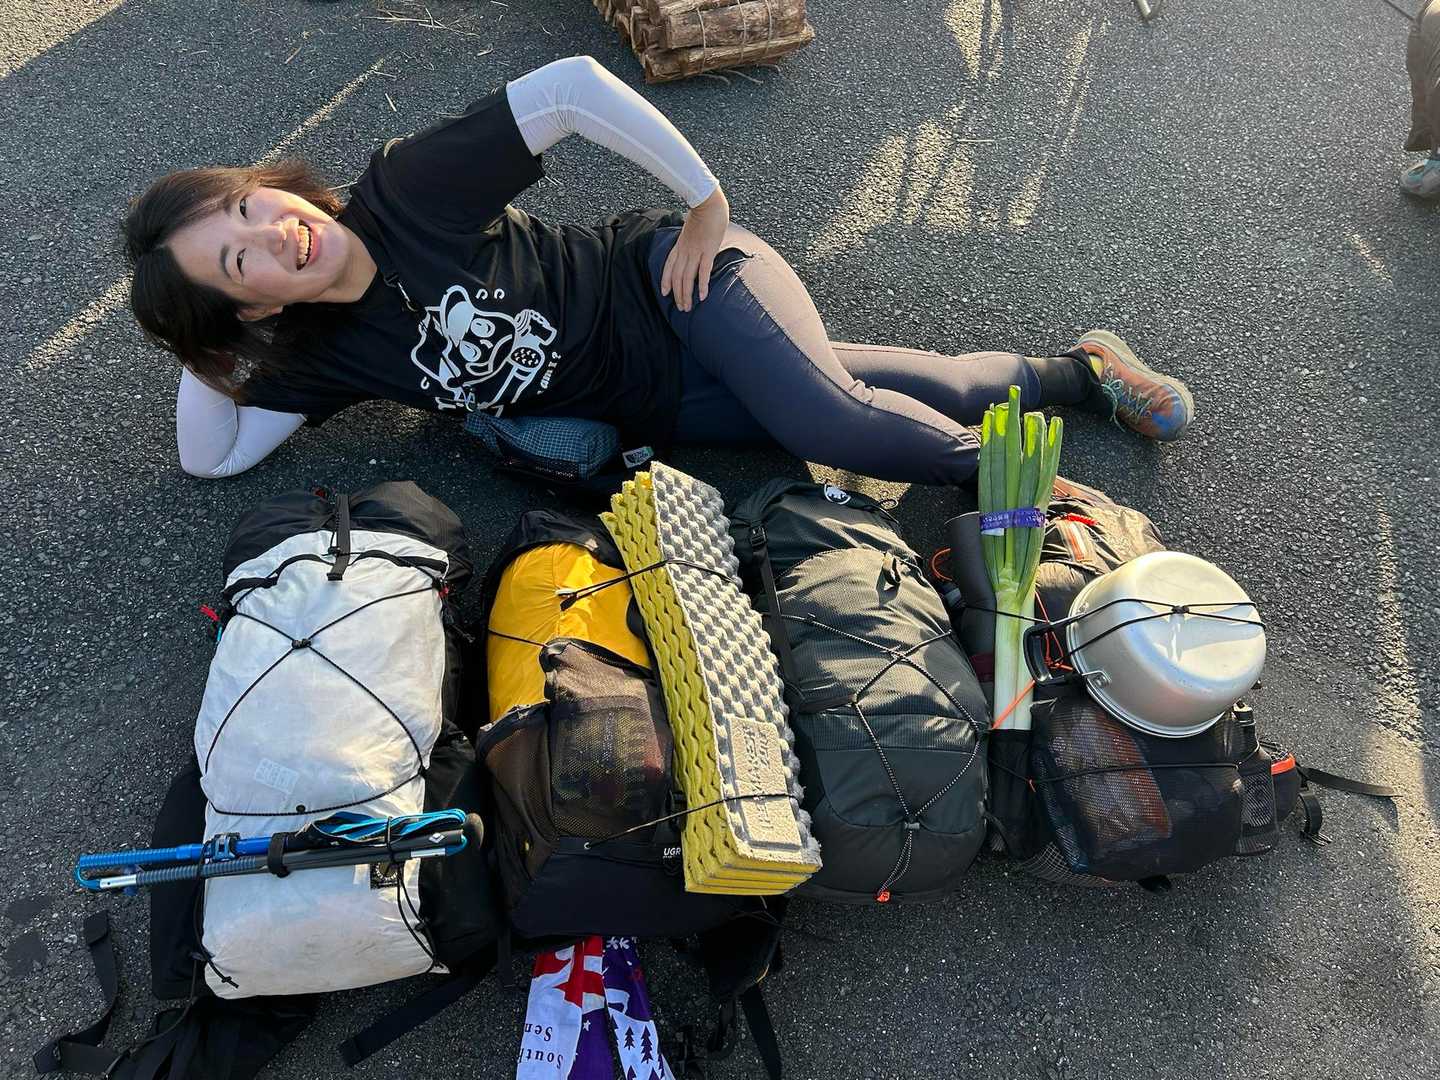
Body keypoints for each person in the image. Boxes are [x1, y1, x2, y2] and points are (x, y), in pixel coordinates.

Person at [124, 55, 1194, 484]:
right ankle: (1082, 371)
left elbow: (571, 88)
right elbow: (211, 458)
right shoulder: (320, 359)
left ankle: (1032, 493)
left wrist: (703, 199)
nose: (273, 234)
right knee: (887, 389)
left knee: (834, 426)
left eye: (248, 205)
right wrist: (197, 337)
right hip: (660, 401)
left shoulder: (407, 190)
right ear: (245, 308)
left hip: (679, 283)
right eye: (238, 259)